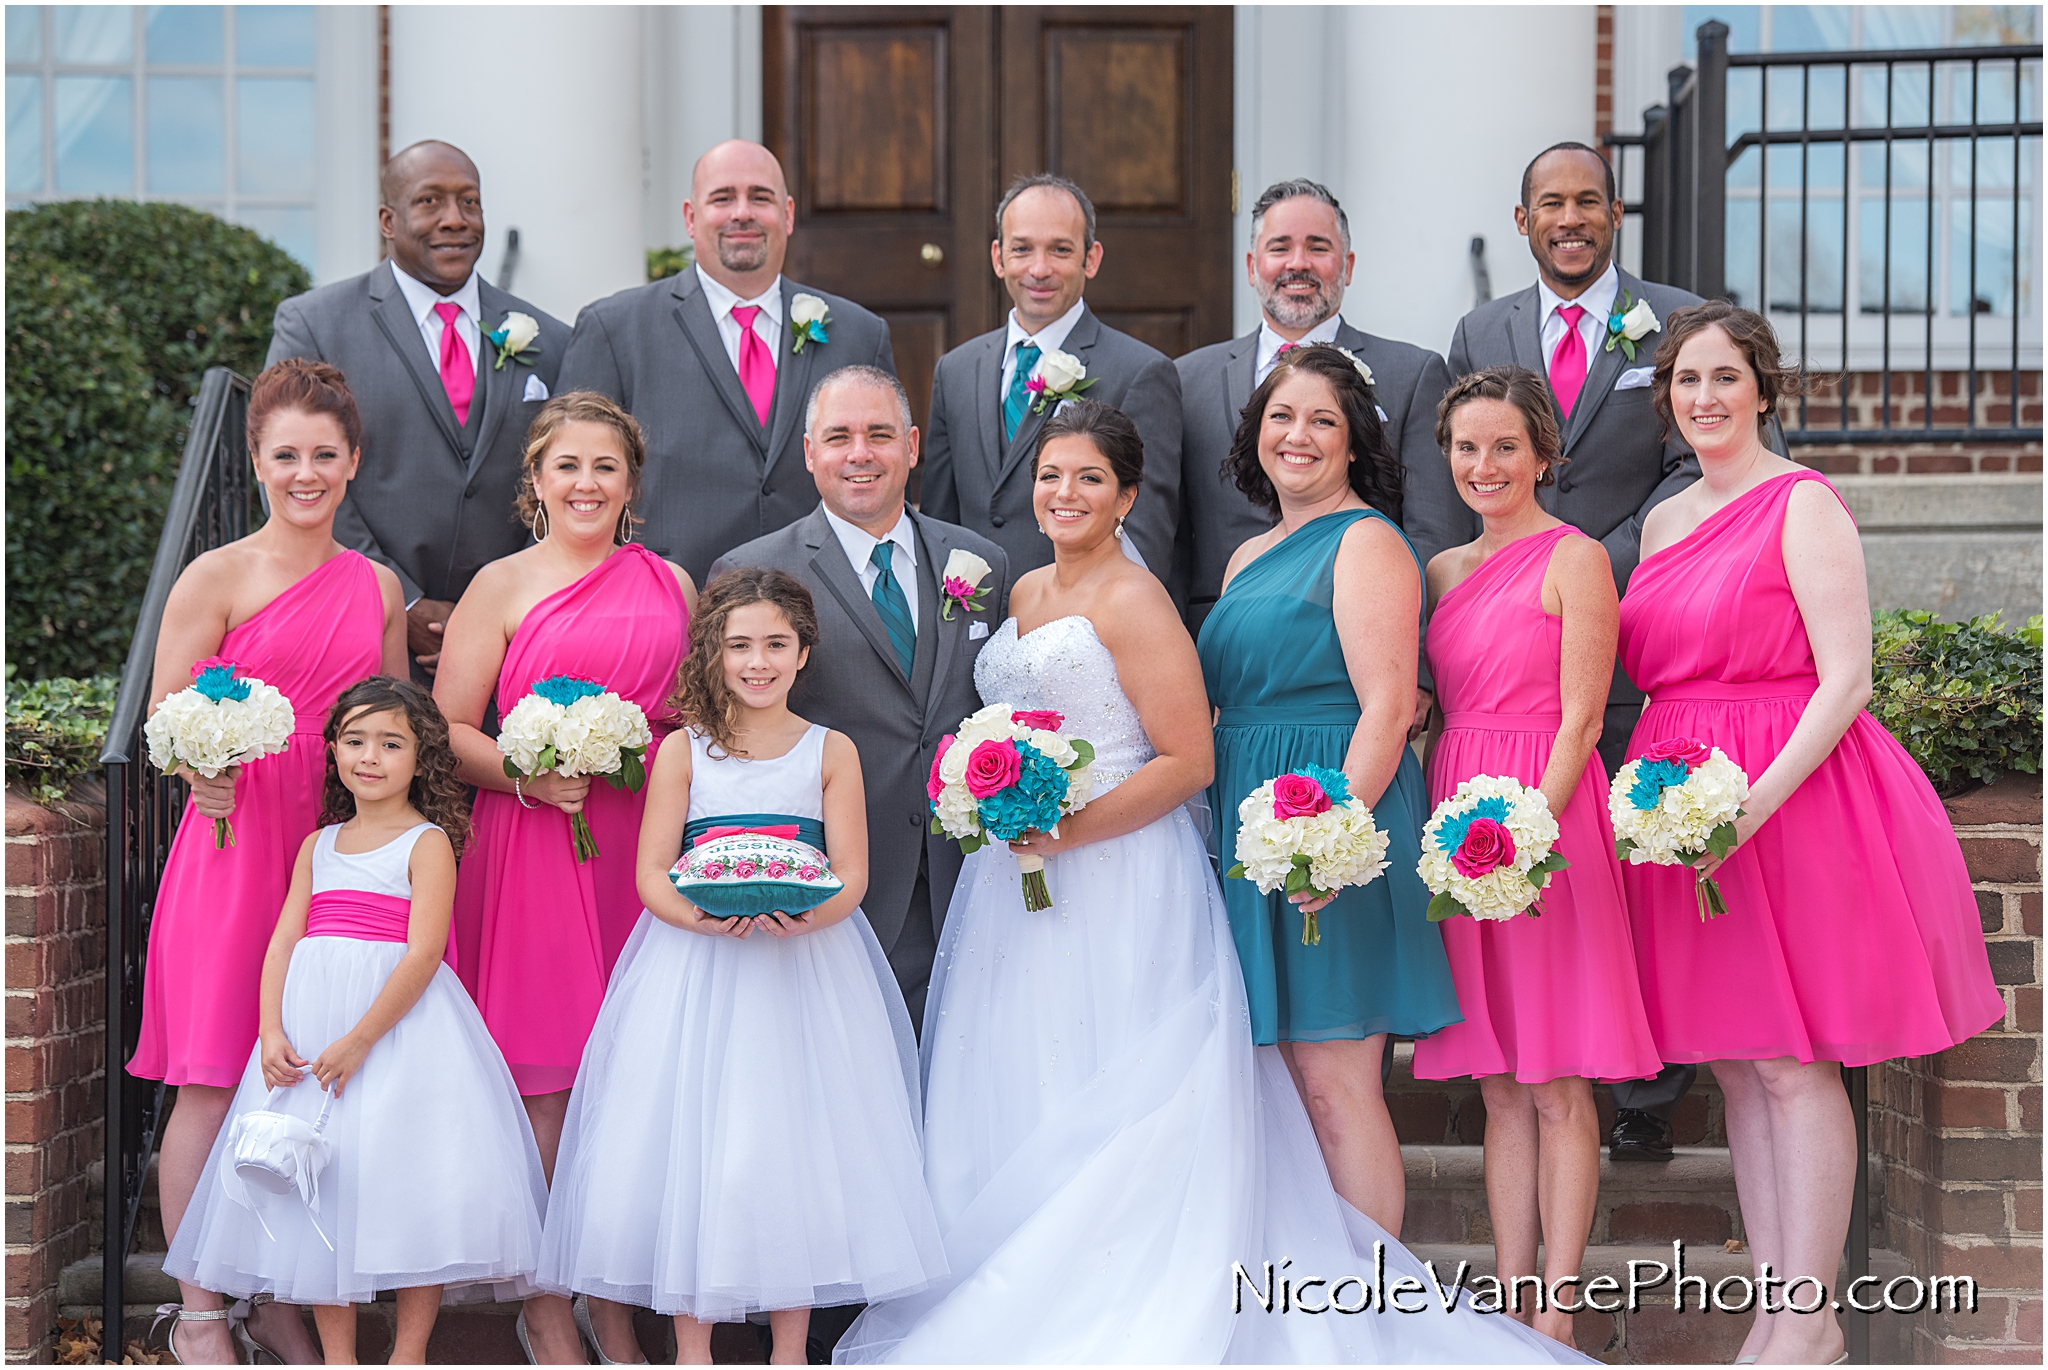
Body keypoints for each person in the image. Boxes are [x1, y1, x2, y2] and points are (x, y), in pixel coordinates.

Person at [838, 402, 1580, 1365]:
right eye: (1051, 476)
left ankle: (1361, 1314)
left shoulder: (1206, 583)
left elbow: (1288, 725)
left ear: (1130, 497)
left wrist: (1070, 831)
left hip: (1206, 841)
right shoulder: (1063, 587)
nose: (1066, 494)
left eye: (1090, 478)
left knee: (1322, 1080)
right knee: (1106, 1076)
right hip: (1101, 862)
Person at [1619, 302, 2004, 1366]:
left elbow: (1846, 679)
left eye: (1723, 378)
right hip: (1681, 805)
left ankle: (1809, 1314)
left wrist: (1746, 806)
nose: (1703, 398)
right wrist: (1668, 809)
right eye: (1684, 380)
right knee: (1738, 1065)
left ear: (1761, 389)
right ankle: (1776, 1308)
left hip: (1787, 800)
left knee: (1794, 1063)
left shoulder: (1801, 503)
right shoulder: (1660, 521)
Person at [537, 569, 945, 1367]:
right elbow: (653, 871)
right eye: (739, 647)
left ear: (802, 654)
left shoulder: (831, 750)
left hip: (803, 972)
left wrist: (802, 914)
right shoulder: (684, 751)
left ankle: (789, 1350)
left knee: (793, 1146)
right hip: (699, 970)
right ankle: (697, 1348)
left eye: (775, 646)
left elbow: (851, 872)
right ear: (714, 655)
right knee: (699, 1145)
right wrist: (704, 917)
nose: (757, 662)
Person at [132, 358, 406, 1365]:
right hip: (236, 842)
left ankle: (282, 1291)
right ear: (255, 461)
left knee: (304, 1073)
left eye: (323, 455)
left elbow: (393, 719)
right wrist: (202, 766)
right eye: (285, 454)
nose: (305, 471)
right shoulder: (218, 575)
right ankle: (200, 1304)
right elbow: (168, 712)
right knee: (212, 1071)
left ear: (352, 462)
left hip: (334, 847)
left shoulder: (375, 584)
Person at [1444, 140, 1712, 1160]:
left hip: (1628, 613)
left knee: (1631, 860)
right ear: (1522, 221)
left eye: (1586, 202)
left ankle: (1643, 1097)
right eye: (1548, 204)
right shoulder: (1481, 325)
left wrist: (1582, 562)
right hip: (1512, 641)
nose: (1569, 218)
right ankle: (1529, 1057)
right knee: (1534, 866)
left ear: (1612, 213)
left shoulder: (1673, 316)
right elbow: (1471, 449)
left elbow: (1688, 462)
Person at [162, 677, 547, 1366]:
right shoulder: (320, 843)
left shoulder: (426, 842)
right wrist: (272, 1031)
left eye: (391, 743)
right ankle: (339, 1358)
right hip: (311, 1030)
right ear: (334, 750)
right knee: (324, 1195)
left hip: (398, 1032)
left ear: (421, 759)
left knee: (411, 1183)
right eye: (356, 740)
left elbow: (425, 950)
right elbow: (284, 940)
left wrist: (362, 1039)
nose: (370, 757)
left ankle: (408, 1354)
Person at [434, 393, 694, 1365]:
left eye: (605, 466)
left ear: (631, 483)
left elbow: (695, 715)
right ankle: (543, 1300)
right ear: (534, 481)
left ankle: (613, 1295)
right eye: (566, 465)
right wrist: (531, 771)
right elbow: (450, 728)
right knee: (549, 1077)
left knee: (628, 1076)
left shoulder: (670, 580)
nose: (585, 483)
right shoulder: (499, 584)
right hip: (534, 839)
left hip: (640, 843)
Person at [1407, 366, 1662, 1345]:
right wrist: (1453, 837)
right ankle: (1510, 1301)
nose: (1483, 464)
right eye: (1466, 447)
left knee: (1556, 1076)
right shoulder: (1438, 571)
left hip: (1544, 821)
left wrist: (1525, 830)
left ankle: (1557, 1307)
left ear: (1542, 455)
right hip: (1458, 810)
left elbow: (1584, 715)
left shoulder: (1575, 558)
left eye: (1503, 446)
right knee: (1497, 1081)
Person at [1196, 346, 1459, 1238]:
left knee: (1337, 1082)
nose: (1297, 436)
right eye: (1281, 417)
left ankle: (1371, 1306)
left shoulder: (1369, 542)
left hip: (1330, 816)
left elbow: (1388, 709)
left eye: (1321, 421)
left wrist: (1325, 841)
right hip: (1249, 817)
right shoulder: (1243, 559)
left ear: (1353, 444)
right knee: (1285, 1085)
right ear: (1255, 434)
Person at [710, 366, 1008, 1029]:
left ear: (911, 445)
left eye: (878, 434)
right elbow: (734, 741)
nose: (860, 454)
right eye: (839, 436)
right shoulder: (751, 572)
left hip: (971, 876)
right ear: (810, 452)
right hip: (835, 882)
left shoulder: (982, 561)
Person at [266, 140, 570, 681]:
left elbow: (568, 478)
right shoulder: (315, 325)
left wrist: (511, 601)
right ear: (388, 220)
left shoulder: (553, 339)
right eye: (430, 202)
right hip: (360, 633)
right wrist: (397, 600)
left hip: (515, 642)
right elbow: (293, 474)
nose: (455, 220)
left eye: (469, 203)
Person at [559, 139, 897, 587]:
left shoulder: (858, 333)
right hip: (671, 608)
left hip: (824, 611)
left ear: (789, 214)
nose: (742, 212)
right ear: (691, 218)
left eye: (760, 197)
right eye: (723, 198)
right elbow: (566, 482)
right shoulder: (615, 330)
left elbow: (891, 480)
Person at [1175, 178, 1454, 633]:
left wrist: (1418, 667)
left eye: (1318, 248)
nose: (1298, 264)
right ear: (1251, 265)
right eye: (1280, 247)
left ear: (1347, 265)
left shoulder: (1414, 374)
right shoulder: (1188, 379)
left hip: (1357, 646)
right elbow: (1172, 540)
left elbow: (1433, 536)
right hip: (1220, 645)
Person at [921, 173, 1182, 591]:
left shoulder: (1141, 373)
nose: (1039, 269)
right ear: (998, 257)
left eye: (1060, 250)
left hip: (1077, 623)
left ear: (1091, 258)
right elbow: (939, 521)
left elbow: (1145, 536)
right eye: (1022, 249)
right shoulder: (955, 370)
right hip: (972, 625)